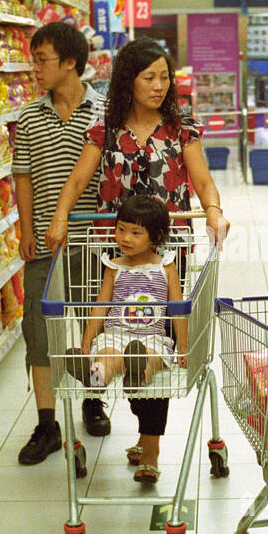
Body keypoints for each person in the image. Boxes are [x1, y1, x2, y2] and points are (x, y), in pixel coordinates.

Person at [47, 37, 230, 474]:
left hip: (166, 252)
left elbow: (203, 182)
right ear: (128, 80)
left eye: (165, 76)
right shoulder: (105, 129)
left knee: (158, 339)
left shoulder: (182, 129)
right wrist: (59, 218)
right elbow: (76, 181)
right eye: (150, 77)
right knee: (121, 334)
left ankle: (149, 447)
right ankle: (119, 395)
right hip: (112, 250)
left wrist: (215, 213)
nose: (160, 85)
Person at [12, 22, 111, 467]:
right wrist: (26, 229)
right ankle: (47, 424)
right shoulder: (29, 117)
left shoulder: (104, 111)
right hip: (46, 246)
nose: (34, 68)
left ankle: (93, 399)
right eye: (33, 60)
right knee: (40, 330)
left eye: (41, 60)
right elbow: (24, 178)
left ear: (70, 62)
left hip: (94, 242)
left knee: (94, 325)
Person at [63, 196, 188, 483]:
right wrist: (86, 342)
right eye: (120, 229)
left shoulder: (166, 266)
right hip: (117, 334)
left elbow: (178, 309)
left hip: (152, 337)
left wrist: (183, 346)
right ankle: (96, 375)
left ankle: (137, 372)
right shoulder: (114, 266)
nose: (125, 238)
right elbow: (100, 306)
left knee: (151, 358)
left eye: (135, 232)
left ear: (156, 236)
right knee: (109, 354)